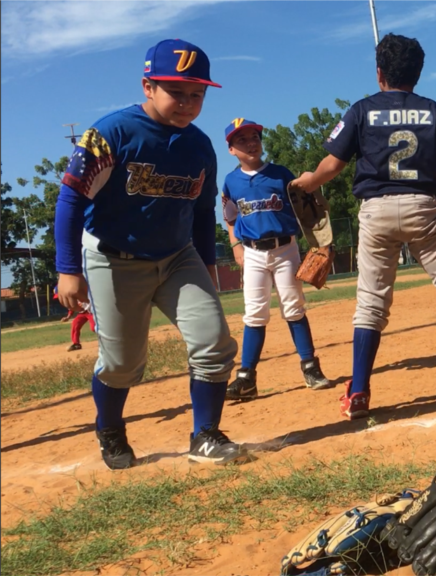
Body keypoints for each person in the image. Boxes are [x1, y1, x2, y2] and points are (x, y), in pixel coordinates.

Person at [290, 33, 436, 420]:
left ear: (379, 72)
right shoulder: (432, 109)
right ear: (418, 73)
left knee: (371, 303)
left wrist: (307, 183)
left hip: (376, 209)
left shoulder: (362, 110)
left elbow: (332, 165)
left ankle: (359, 392)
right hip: (422, 205)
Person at [54, 39, 246, 470]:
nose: (188, 102)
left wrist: (208, 268)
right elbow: (70, 198)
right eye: (176, 91)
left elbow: (200, 212)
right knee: (123, 363)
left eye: (197, 94)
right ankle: (109, 427)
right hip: (113, 258)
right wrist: (68, 269)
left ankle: (206, 436)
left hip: (178, 256)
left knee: (214, 341)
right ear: (148, 86)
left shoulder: (199, 146)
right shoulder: (111, 133)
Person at [220, 118, 332, 401]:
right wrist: (235, 245)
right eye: (241, 140)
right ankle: (247, 378)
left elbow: (308, 209)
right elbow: (230, 216)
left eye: (254, 137)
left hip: (285, 249)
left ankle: (310, 368)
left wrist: (321, 244)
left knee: (294, 308)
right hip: (253, 252)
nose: (250, 143)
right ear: (231, 149)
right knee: (255, 313)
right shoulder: (231, 182)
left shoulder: (281, 174)